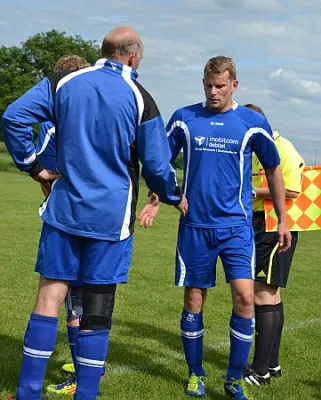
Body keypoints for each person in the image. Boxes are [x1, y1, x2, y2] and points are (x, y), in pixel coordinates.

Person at [2, 26, 187, 400]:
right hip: (111, 223)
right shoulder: (141, 97)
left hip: (64, 212)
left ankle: (28, 392)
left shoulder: (64, 81)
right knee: (96, 310)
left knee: (48, 299)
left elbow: (13, 117)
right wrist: (172, 194)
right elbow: (156, 164)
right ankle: (85, 394)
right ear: (133, 57)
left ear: (104, 50)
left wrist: (33, 166)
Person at [139, 56, 291, 400]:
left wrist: (282, 218)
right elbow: (160, 162)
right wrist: (158, 197)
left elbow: (274, 169)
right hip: (195, 226)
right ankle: (195, 374)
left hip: (236, 227)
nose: (213, 92)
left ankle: (234, 379)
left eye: (220, 86)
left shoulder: (251, 122)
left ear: (234, 85)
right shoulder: (185, 118)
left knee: (245, 298)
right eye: (208, 85)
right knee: (194, 299)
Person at [36, 55, 98, 396]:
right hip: (106, 220)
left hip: (68, 219)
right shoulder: (106, 117)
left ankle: (85, 377)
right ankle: (90, 366)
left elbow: (43, 164)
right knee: (93, 298)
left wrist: (43, 177)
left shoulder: (55, 123)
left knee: (68, 298)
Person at [242, 104, 305, 385]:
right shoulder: (261, 149)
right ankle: (272, 364)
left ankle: (259, 371)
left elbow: (292, 189)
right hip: (264, 224)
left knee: (262, 294)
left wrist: (253, 190)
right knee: (272, 295)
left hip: (274, 226)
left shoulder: (282, 148)